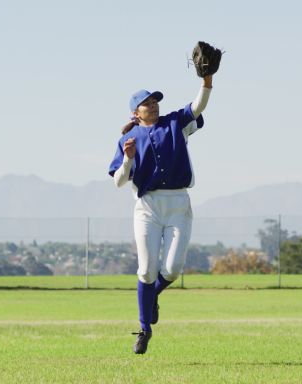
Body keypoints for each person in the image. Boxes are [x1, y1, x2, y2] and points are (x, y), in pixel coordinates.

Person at [108, 74, 213, 354]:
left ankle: (151, 297)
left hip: (178, 203)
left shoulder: (175, 123)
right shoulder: (128, 139)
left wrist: (207, 80)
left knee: (173, 269)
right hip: (148, 208)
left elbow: (198, 106)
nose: (153, 105)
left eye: (154, 101)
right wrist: (128, 158)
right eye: (146, 103)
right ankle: (144, 329)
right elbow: (119, 181)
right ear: (135, 112)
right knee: (146, 269)